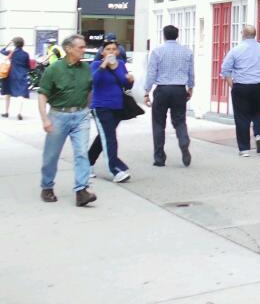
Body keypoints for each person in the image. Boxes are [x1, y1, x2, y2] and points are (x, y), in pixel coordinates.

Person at [37, 34, 97, 206]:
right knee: (51, 155)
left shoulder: (86, 68)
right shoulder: (54, 69)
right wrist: (45, 119)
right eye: (81, 47)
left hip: (81, 116)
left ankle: (82, 191)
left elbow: (90, 89)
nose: (84, 50)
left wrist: (87, 109)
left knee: (81, 153)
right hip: (58, 115)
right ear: (69, 49)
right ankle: (47, 186)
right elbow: (42, 95)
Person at [220, 25, 260, 157]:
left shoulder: (236, 50)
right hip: (259, 85)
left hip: (241, 85)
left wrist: (232, 85)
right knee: (258, 112)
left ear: (243, 34)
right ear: (255, 35)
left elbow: (225, 70)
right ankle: (258, 134)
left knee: (241, 116)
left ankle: (244, 149)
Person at [145, 24, 195, 167]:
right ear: (177, 35)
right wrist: (190, 87)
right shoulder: (187, 52)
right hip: (179, 89)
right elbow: (191, 72)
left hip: (162, 89)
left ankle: (159, 158)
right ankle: (183, 140)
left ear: (164, 35)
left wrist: (146, 91)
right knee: (179, 120)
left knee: (158, 123)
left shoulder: (157, 52)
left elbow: (151, 73)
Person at [88, 40, 134, 183]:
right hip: (101, 107)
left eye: (114, 49)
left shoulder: (120, 65)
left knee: (104, 138)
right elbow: (93, 81)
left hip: (117, 106)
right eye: (108, 49)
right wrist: (104, 65)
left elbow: (125, 84)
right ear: (102, 52)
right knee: (110, 138)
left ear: (118, 52)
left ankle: (87, 163)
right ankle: (115, 169)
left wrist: (129, 79)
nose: (111, 51)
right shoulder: (95, 65)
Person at [2, 37, 32, 120]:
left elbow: (1, 51)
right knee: (21, 94)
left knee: (8, 93)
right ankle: (19, 113)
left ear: (14, 44)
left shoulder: (11, 52)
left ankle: (6, 112)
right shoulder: (25, 54)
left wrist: (8, 44)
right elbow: (28, 66)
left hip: (10, 75)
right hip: (21, 76)